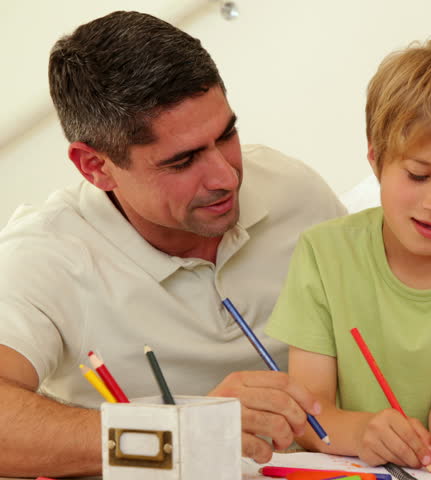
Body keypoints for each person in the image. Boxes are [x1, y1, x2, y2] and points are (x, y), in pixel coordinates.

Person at [0, 11, 346, 477]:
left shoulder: (293, 190)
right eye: (182, 161)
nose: (226, 177)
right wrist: (177, 430)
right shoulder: (44, 256)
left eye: (226, 135)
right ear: (94, 167)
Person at [266, 40, 431, 472]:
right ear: (376, 157)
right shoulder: (323, 253)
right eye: (418, 175)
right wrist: (364, 432)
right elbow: (309, 417)